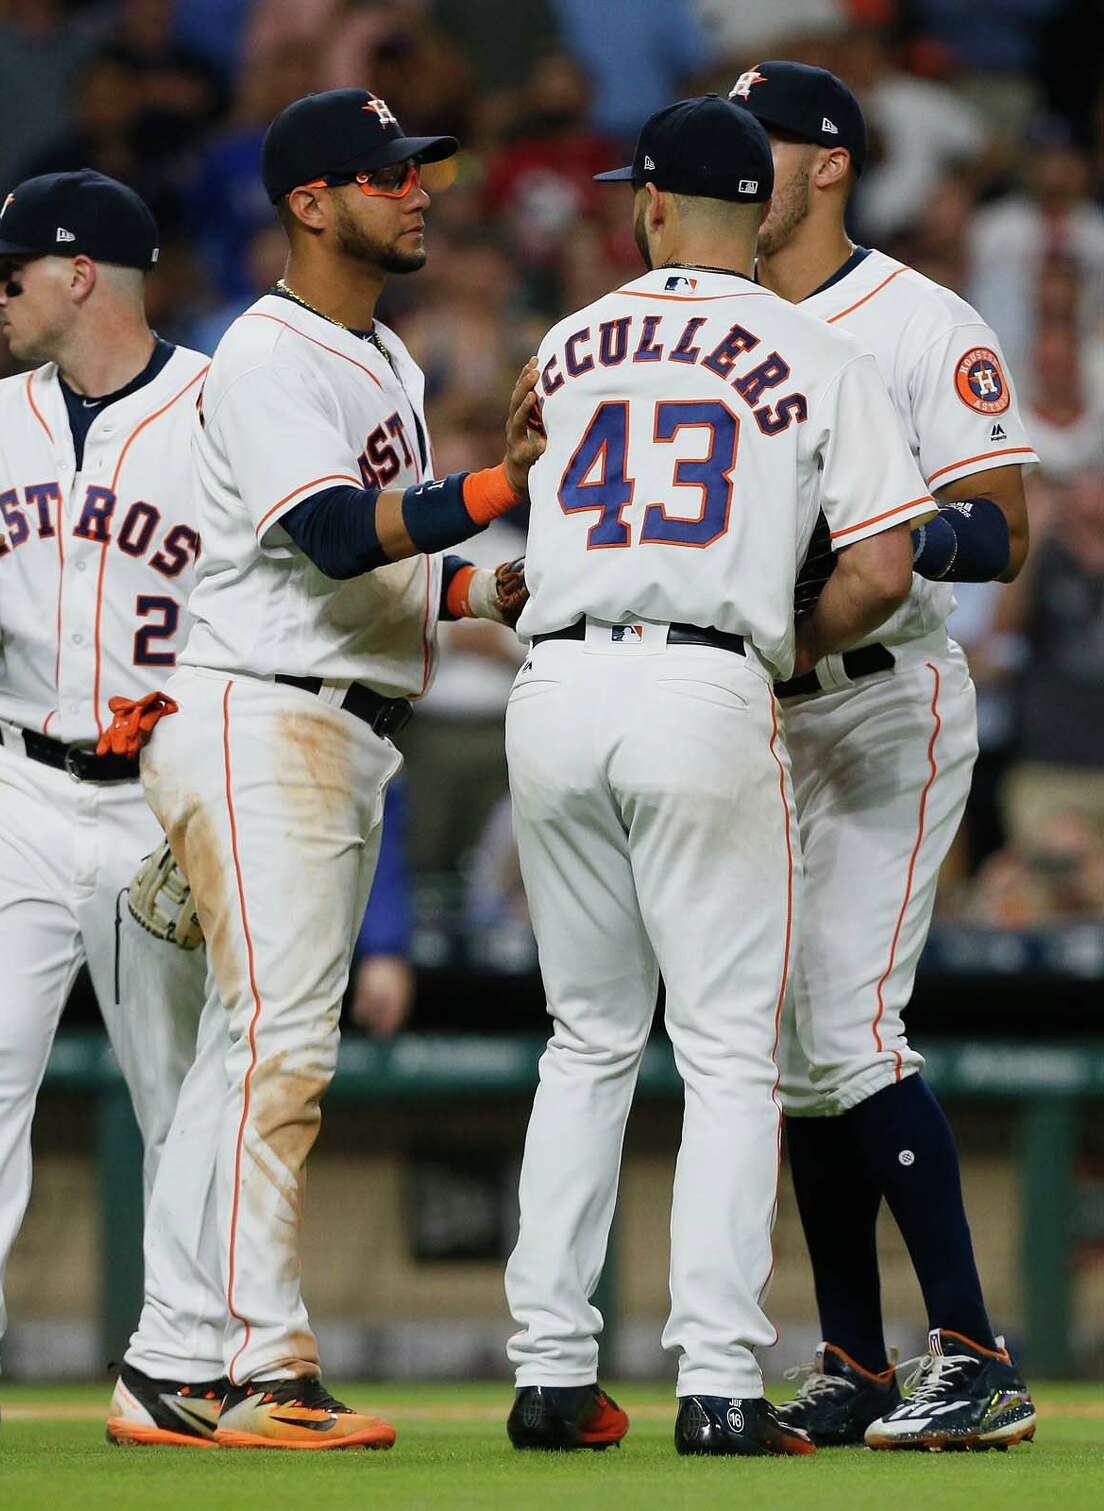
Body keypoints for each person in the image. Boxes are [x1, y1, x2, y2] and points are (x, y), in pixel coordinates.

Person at [104, 88, 539, 1452]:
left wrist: (490, 585)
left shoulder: (386, 359)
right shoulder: (266, 354)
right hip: (258, 715)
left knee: (252, 1052)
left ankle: (171, 1362)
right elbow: (340, 537)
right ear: (310, 202)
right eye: (389, 173)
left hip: (334, 720)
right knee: (280, 1049)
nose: (420, 190)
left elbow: (394, 577)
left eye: (422, 169)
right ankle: (258, 1366)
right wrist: (495, 481)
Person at [502, 95, 928, 1457]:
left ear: (647, 204)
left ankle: (553, 1369)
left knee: (586, 1037)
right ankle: (720, 1379)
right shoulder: (814, 347)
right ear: (764, 208)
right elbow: (881, 567)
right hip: (704, 680)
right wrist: (781, 642)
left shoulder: (568, 344)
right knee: (732, 1051)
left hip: (555, 683)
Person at [732, 61, 1038, 1451]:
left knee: (849, 1021)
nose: (741, 163)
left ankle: (973, 1348)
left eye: (765, 143)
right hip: (756, 707)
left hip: (883, 698)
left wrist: (882, 533)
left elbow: (1002, 528)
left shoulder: (918, 318)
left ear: (831, 163)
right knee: (797, 1045)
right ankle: (853, 1352)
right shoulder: (709, 321)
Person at [0, 170, 207, 1443]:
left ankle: (197, 1349)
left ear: (82, 274)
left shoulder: (215, 408)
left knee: (182, 1091)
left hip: (160, 796)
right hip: (17, 776)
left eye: (14, 268)